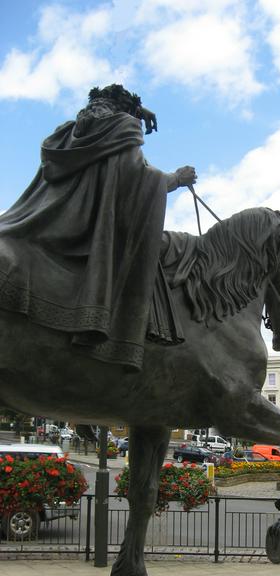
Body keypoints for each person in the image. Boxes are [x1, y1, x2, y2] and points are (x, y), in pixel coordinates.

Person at [0, 84, 196, 371]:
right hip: (85, 234)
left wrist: (135, 108)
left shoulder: (67, 134)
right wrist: (177, 178)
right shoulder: (122, 128)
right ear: (126, 111)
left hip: (38, 226)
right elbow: (138, 181)